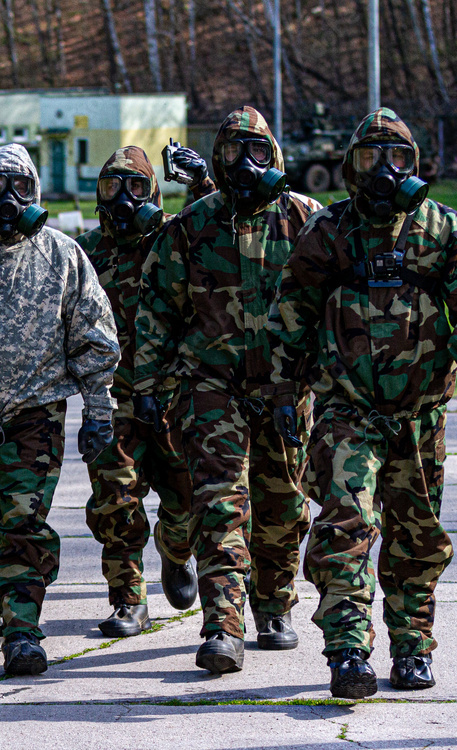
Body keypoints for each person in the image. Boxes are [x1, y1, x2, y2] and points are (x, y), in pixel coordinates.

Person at [267, 107, 457, 699]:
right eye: (372, 158)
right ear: (352, 167)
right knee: (345, 528)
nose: (385, 170)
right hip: (346, 413)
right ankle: (348, 652)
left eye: (397, 158)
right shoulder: (329, 232)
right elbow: (291, 314)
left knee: (416, 536)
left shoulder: (445, 231)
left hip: (420, 416)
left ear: (415, 163)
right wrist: (283, 390)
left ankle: (413, 650)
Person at [132, 106, 322, 674]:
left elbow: (337, 305)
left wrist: (330, 381)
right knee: (220, 506)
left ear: (275, 156)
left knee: (283, 506)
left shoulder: (309, 222)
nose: (245, 164)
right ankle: (223, 625)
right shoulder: (191, 227)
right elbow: (157, 310)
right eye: (233, 153)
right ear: (217, 159)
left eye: (257, 152)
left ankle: (274, 604)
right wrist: (146, 383)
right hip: (211, 387)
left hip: (288, 391)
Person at [0, 143, 119, 676]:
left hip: (34, 412)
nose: (8, 198)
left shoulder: (62, 253)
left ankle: (23, 631)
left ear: (35, 191)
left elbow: (95, 336)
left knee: (25, 522)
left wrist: (99, 408)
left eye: (19, 186)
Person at [76, 145, 214, 637]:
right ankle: (128, 601)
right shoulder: (87, 251)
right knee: (115, 502)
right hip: (115, 400)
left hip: (177, 397)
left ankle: (177, 553)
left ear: (153, 190)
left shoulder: (176, 236)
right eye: (113, 187)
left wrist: (201, 182)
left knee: (186, 501)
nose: (125, 198)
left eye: (137, 187)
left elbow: (220, 227)